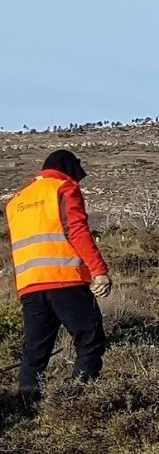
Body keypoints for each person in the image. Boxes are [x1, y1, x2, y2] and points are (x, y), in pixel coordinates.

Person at [7, 150, 112, 392]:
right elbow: (76, 231)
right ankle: (79, 397)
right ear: (69, 168)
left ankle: (27, 405)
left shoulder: (17, 201)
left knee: (35, 352)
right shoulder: (63, 188)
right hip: (65, 279)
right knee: (89, 339)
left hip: (29, 285)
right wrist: (98, 271)